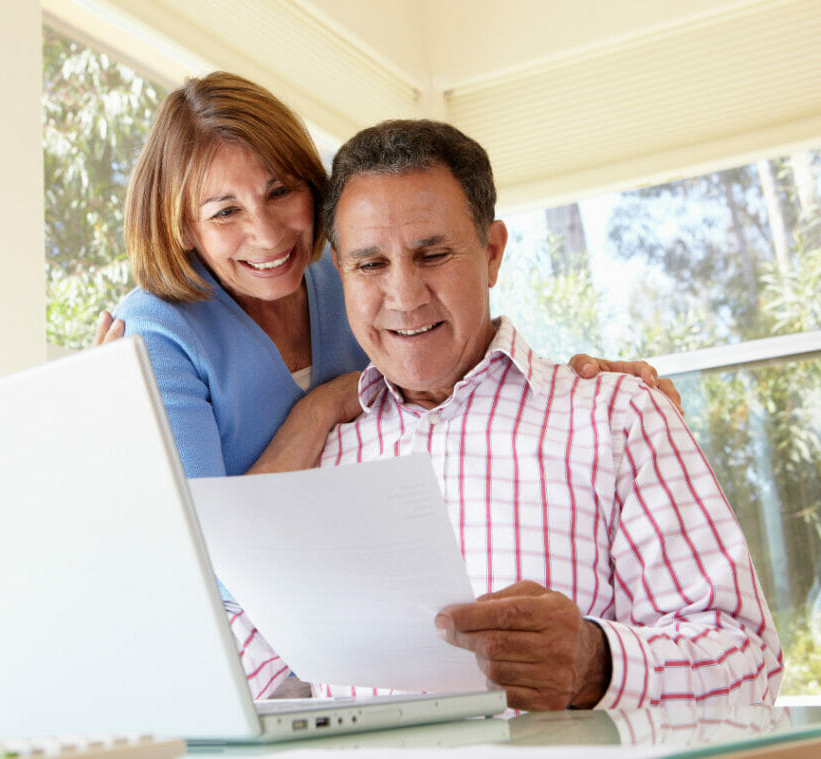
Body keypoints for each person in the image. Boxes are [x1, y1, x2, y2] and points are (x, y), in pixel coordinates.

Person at [98, 72, 684, 698]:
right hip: (246, 638)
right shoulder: (158, 332)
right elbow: (208, 570)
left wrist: (591, 389)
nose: (268, 235)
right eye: (225, 212)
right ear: (183, 226)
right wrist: (322, 407)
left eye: (280, 191)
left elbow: (457, 346)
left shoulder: (345, 266)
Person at [291, 119, 781, 710]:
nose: (404, 295)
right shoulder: (314, 459)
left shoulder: (620, 417)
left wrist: (597, 664)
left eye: (434, 253)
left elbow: (749, 658)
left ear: (492, 253)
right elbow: (249, 669)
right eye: (370, 265)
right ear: (339, 270)